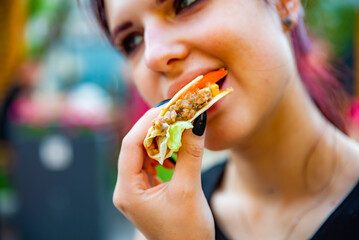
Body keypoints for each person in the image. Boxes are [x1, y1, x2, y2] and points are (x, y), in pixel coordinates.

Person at [90, 0, 359, 239]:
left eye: (185, 3)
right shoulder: (161, 228)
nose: (154, 55)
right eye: (133, 41)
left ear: (284, 4)